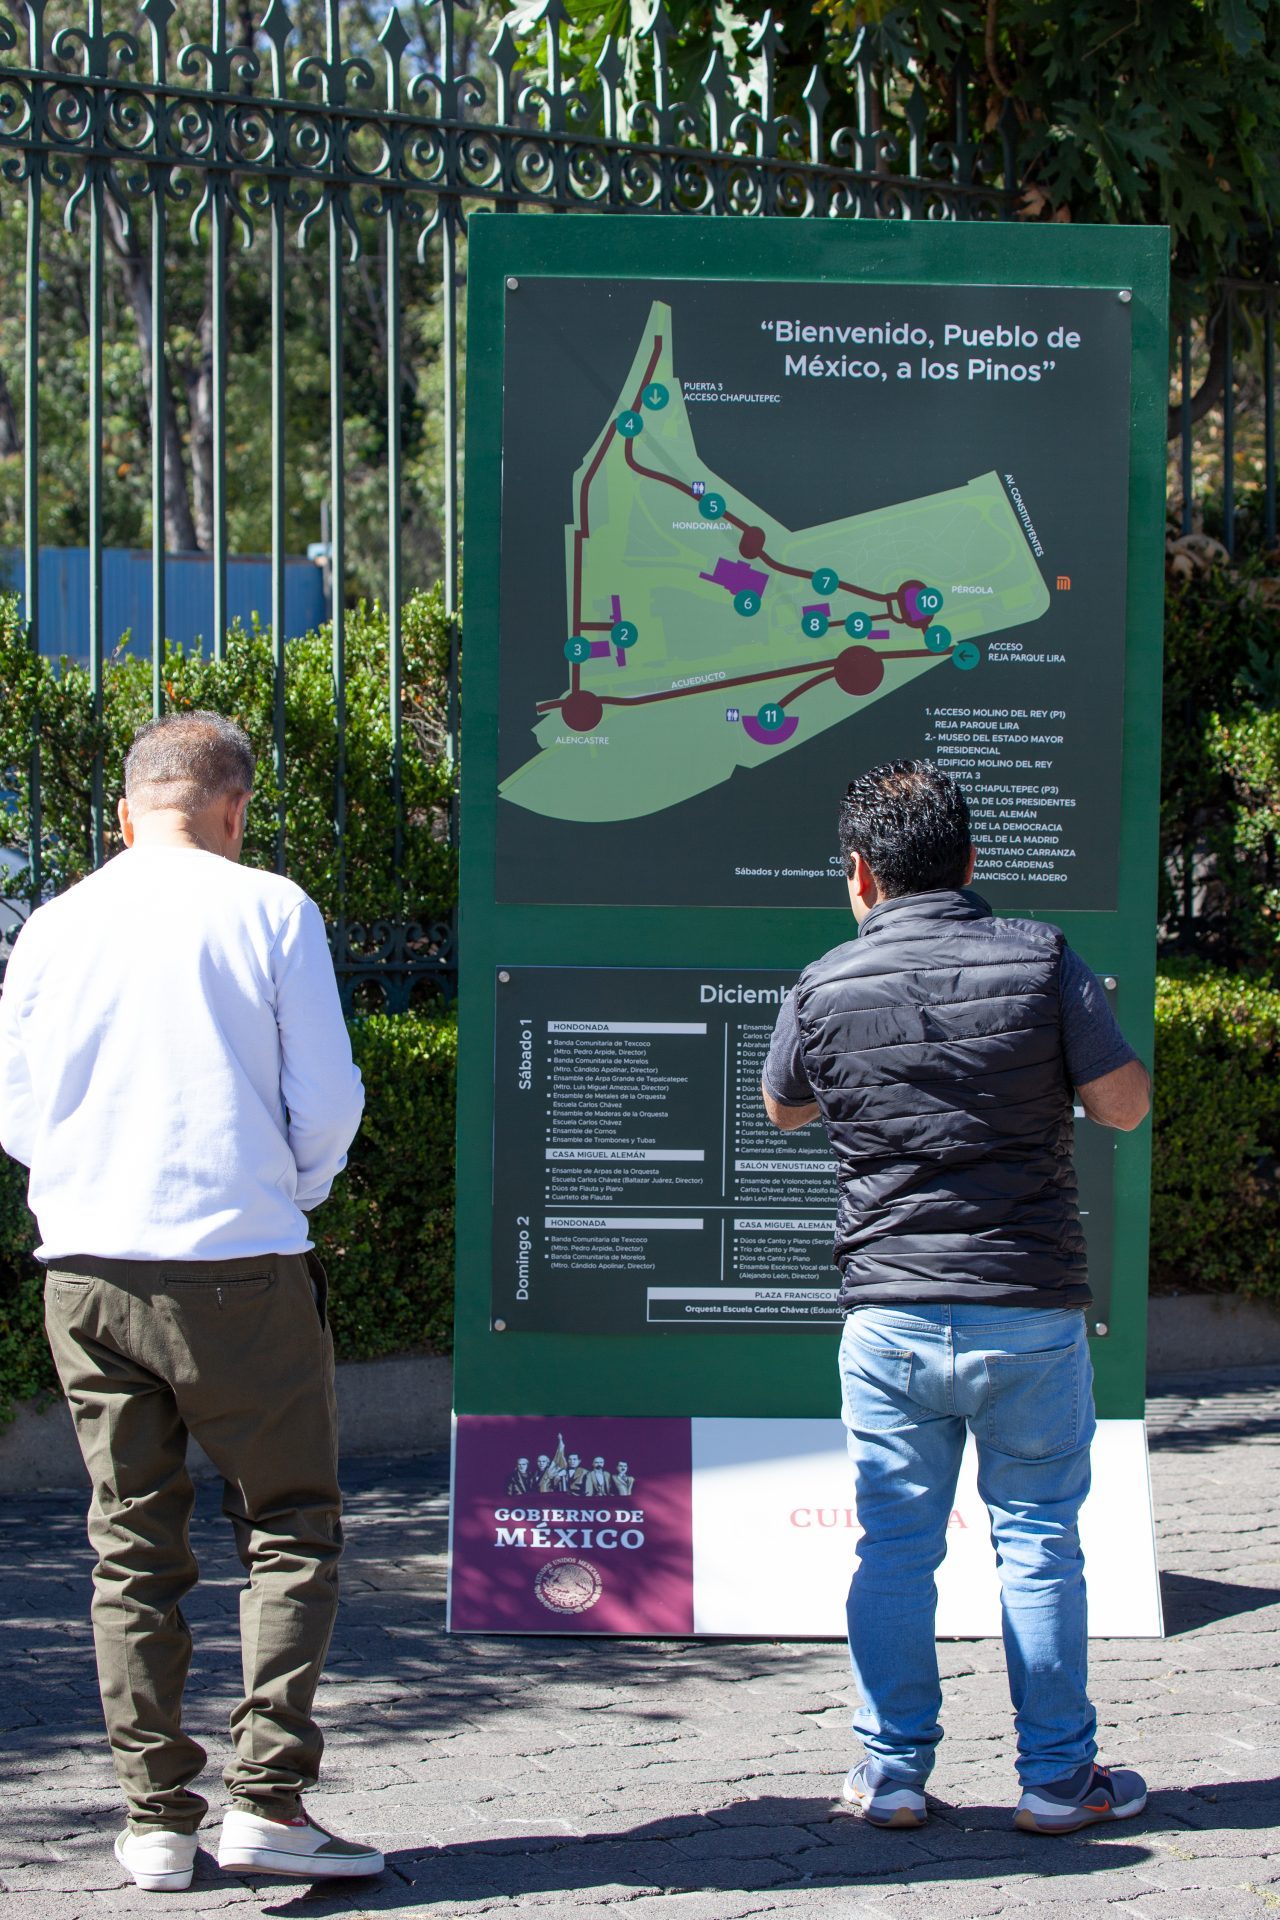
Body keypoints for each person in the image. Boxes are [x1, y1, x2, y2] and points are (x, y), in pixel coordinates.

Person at [0, 712, 382, 1891]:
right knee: (288, 1527)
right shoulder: (269, 907)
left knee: (130, 1545)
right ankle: (267, 1800)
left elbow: (17, 1116)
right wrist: (289, 1189)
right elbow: (325, 1098)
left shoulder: (54, 925)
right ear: (234, 810)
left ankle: (155, 1819)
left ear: (125, 814)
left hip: (87, 1269)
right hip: (238, 1265)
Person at [761, 759, 1151, 1838]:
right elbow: (1121, 1106)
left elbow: (782, 1110)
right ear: (970, 862)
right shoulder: (1040, 959)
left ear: (858, 875)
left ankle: (887, 1773)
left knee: (891, 1548)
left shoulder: (824, 981)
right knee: (1036, 1541)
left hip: (886, 1314)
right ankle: (1056, 1782)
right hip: (1025, 1307)